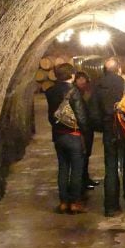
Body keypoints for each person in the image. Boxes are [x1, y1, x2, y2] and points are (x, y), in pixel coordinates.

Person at [90, 56, 125, 216]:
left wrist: (105, 127)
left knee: (111, 169)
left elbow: (93, 114)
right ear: (119, 69)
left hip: (110, 132)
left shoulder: (98, 88)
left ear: (105, 71)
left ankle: (111, 207)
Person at [45, 63, 91, 214]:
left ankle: (64, 202)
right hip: (73, 135)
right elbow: (81, 116)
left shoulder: (50, 91)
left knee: (63, 168)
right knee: (77, 169)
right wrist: (85, 133)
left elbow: (51, 115)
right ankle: (75, 202)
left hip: (58, 135)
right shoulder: (74, 91)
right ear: (71, 75)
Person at [74, 71, 98, 191]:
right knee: (81, 156)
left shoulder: (88, 92)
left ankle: (86, 178)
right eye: (80, 79)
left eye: (84, 79)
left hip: (89, 128)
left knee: (87, 155)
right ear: (75, 80)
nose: (82, 81)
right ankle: (82, 183)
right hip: (81, 130)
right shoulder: (75, 93)